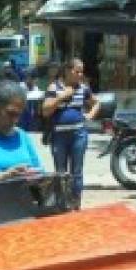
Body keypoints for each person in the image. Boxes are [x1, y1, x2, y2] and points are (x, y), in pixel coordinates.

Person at [41, 58, 100, 208]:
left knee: (77, 172)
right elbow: (46, 110)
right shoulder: (54, 87)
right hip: (59, 136)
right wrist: (62, 96)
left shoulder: (83, 88)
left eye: (81, 71)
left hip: (79, 135)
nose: (80, 74)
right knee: (60, 172)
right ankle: (62, 204)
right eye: (77, 71)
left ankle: (75, 204)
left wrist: (90, 115)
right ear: (67, 70)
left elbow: (96, 102)